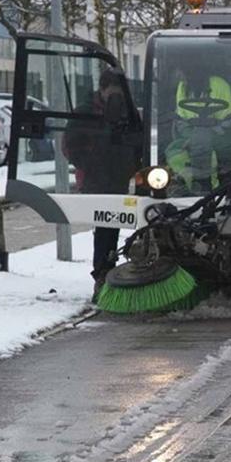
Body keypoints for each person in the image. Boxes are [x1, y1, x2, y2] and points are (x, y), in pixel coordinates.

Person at [64, 67, 139, 293]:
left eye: (120, 92)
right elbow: (70, 147)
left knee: (114, 224)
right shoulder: (85, 113)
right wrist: (91, 162)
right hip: (96, 180)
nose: (116, 97)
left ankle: (108, 268)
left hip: (120, 178)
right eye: (113, 92)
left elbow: (138, 141)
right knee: (105, 224)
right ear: (103, 89)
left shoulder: (129, 114)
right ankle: (102, 273)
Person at [164, 70, 231, 193]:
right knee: (172, 150)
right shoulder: (182, 87)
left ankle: (214, 188)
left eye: (182, 71)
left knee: (208, 148)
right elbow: (180, 120)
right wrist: (191, 136)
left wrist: (208, 135)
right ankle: (187, 185)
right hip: (191, 135)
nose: (179, 75)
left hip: (222, 134)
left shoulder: (219, 85)